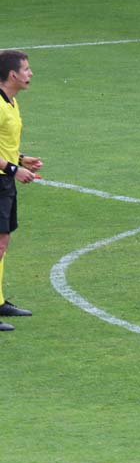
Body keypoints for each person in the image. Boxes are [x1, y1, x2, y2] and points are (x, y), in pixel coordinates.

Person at [0, 50, 43, 333]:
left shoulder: (10, 102)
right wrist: (15, 170)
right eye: (25, 69)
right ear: (12, 74)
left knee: (2, 243)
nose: (29, 74)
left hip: (4, 182)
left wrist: (21, 158)